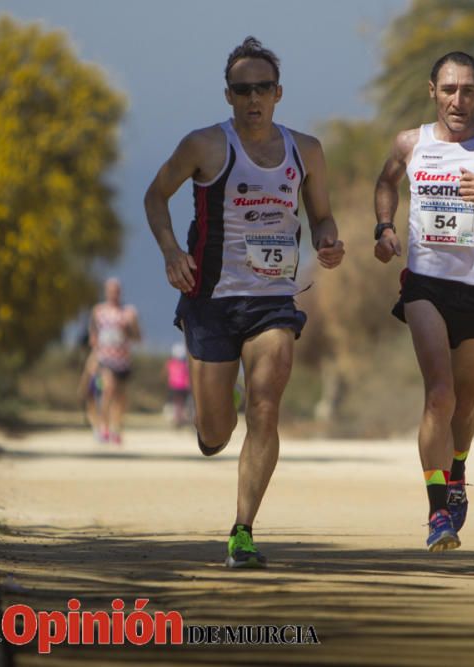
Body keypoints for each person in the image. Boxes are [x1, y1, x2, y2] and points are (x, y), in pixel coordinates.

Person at [143, 36, 345, 568]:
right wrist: (170, 252)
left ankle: (243, 531)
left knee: (265, 406)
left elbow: (321, 214)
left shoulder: (307, 150)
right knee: (215, 431)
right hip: (210, 300)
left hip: (272, 300)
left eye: (262, 88)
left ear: (278, 93)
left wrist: (327, 240)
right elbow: (154, 195)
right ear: (229, 95)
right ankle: (214, 415)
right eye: (242, 89)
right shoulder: (204, 145)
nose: (253, 97)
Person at [373, 51, 474, 551]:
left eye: (467, 90)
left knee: (465, 406)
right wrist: (384, 228)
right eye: (449, 89)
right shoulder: (411, 143)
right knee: (439, 396)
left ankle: (459, 466)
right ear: (432, 91)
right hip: (426, 283)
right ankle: (437, 513)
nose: (457, 100)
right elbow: (385, 181)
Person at [89, 277, 141, 444]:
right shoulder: (98, 311)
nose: (113, 294)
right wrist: (94, 355)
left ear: (120, 292)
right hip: (105, 359)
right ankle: (103, 427)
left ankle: (116, 429)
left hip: (123, 361)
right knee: (108, 391)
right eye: (110, 290)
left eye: (116, 290)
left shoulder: (129, 313)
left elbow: (138, 337)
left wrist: (128, 331)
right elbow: (93, 335)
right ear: (106, 292)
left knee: (120, 398)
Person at [165, 342, 192, 428]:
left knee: (178, 403)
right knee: (180, 403)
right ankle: (179, 418)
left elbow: (167, 374)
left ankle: (179, 418)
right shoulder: (184, 364)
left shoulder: (171, 363)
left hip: (177, 386)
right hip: (180, 387)